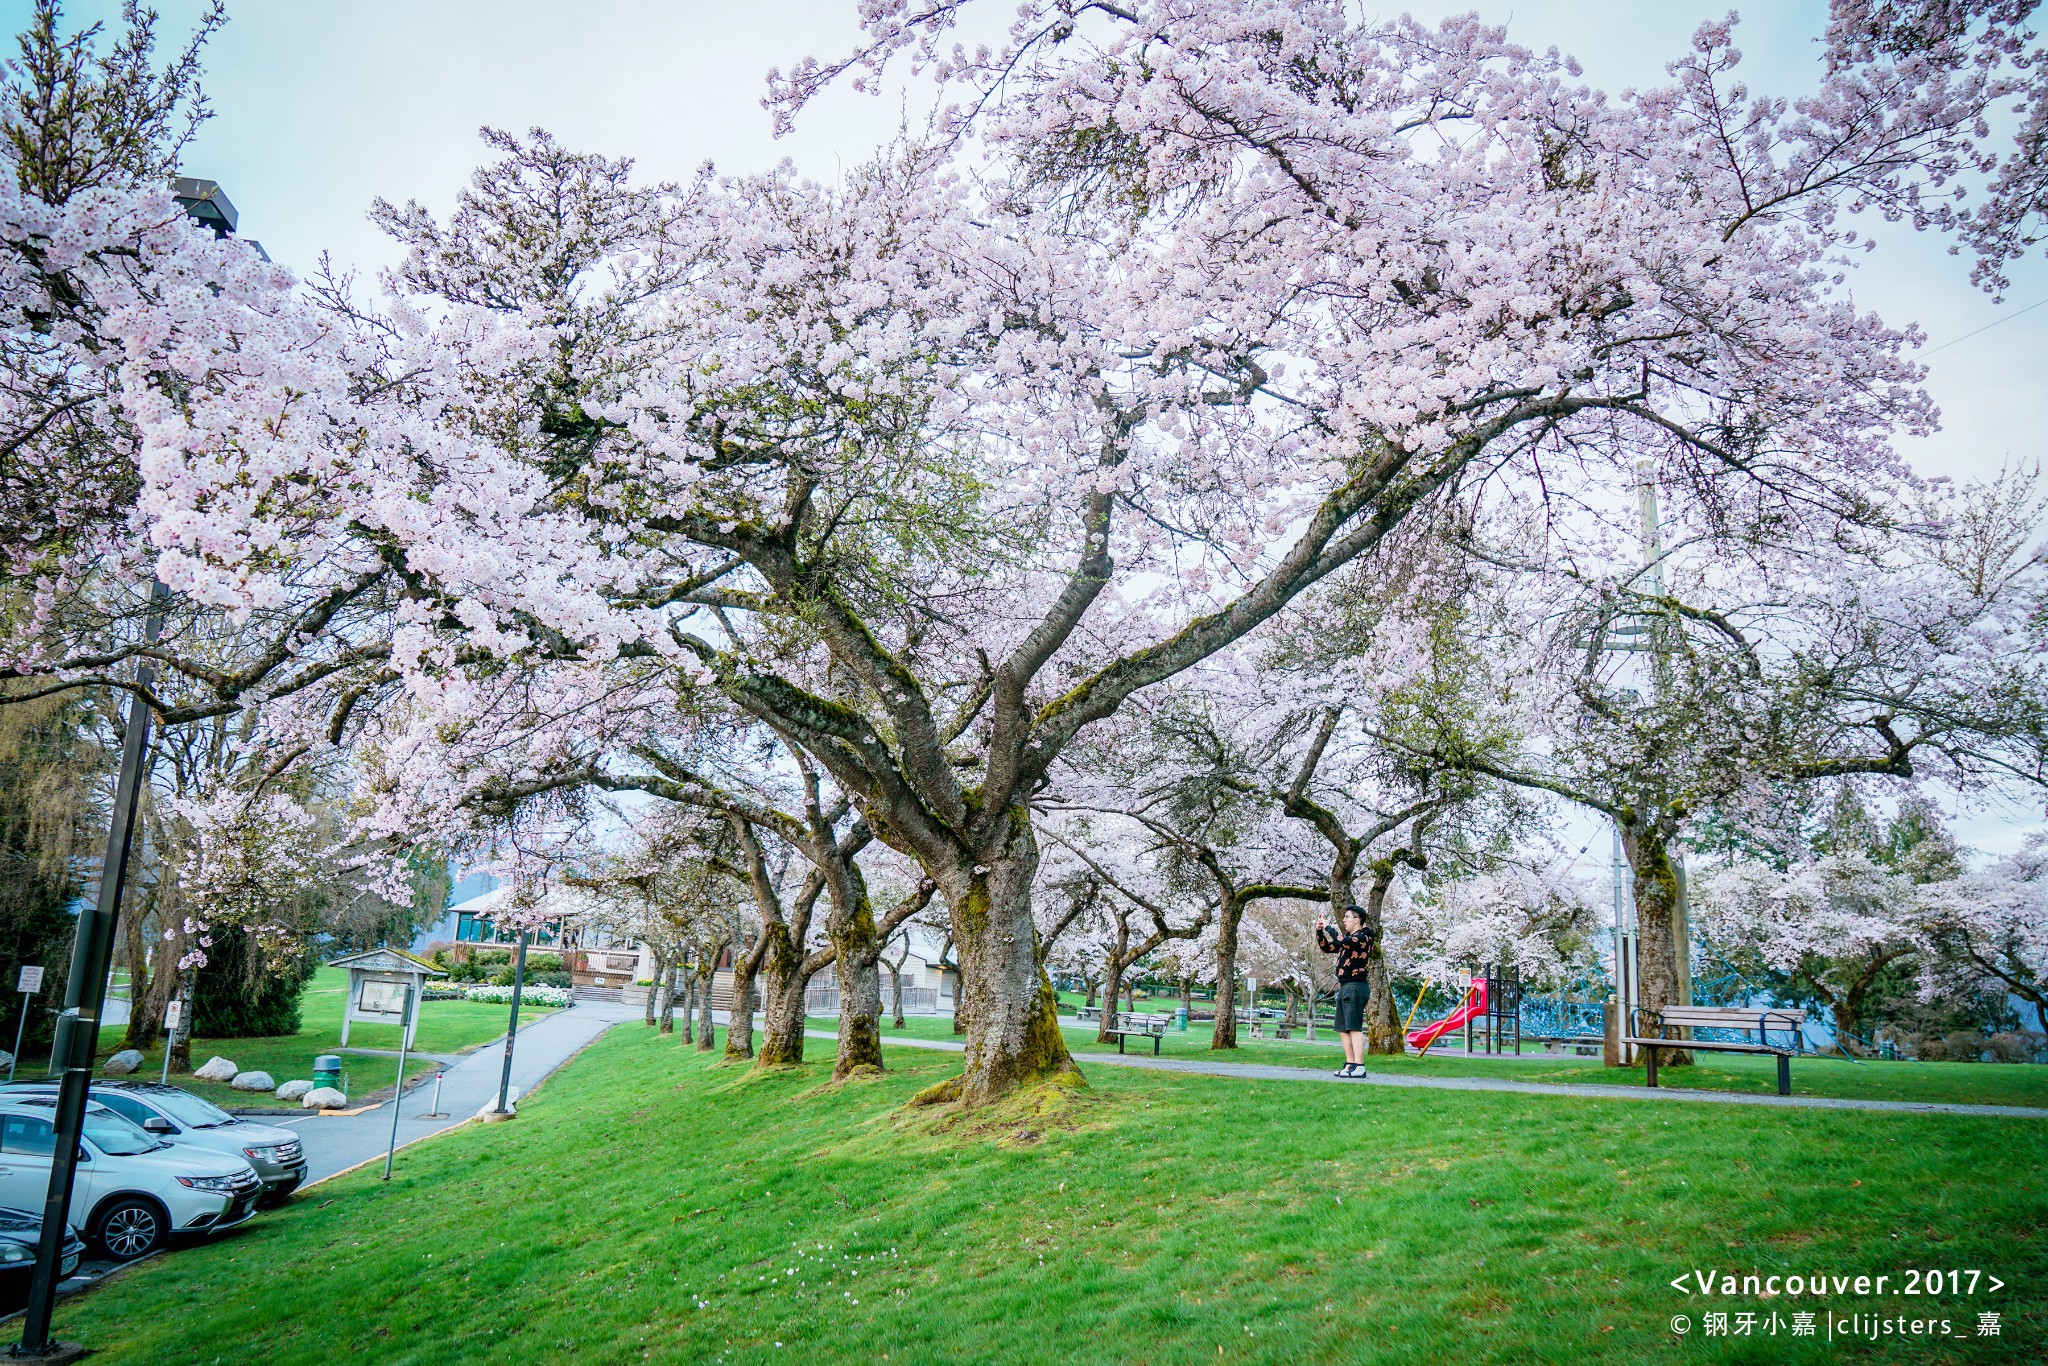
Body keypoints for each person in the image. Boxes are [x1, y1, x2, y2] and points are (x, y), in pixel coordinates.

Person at [1316, 904, 1376, 1078]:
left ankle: (1360, 1066)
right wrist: (1320, 931)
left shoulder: (1363, 936)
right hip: (1344, 986)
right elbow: (1327, 947)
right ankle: (1350, 1064)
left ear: (1357, 920)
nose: (1344, 920)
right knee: (1343, 1027)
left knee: (1354, 1026)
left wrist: (1328, 927)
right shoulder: (1348, 939)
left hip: (1356, 986)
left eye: (1347, 917)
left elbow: (1343, 941)